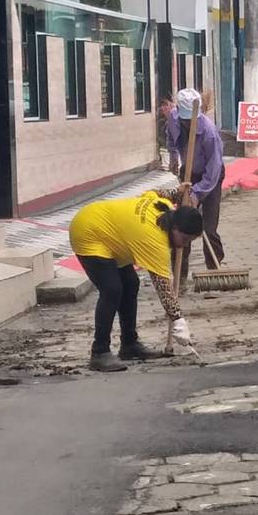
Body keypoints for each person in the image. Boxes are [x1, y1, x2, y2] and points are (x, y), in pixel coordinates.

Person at [69, 190, 203, 371]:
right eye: (185, 238)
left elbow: (154, 192)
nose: (184, 244)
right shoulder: (155, 241)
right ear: (174, 228)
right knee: (112, 289)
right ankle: (99, 352)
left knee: (131, 283)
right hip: (88, 232)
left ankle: (129, 345)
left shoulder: (163, 206)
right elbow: (163, 288)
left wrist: (179, 194)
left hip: (110, 232)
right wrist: (178, 320)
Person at [166, 87, 226, 285]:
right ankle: (179, 277)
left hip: (210, 179)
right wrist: (174, 156)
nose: (186, 123)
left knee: (209, 228)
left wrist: (198, 194)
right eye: (184, 120)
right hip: (188, 175)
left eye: (189, 120)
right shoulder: (174, 118)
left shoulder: (209, 132)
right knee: (181, 226)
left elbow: (214, 168)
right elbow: (170, 138)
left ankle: (215, 274)